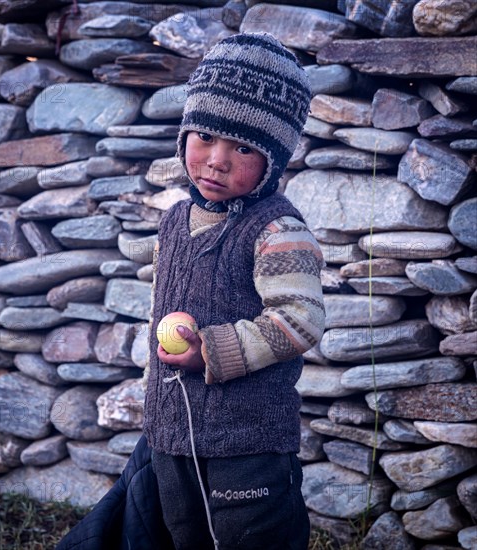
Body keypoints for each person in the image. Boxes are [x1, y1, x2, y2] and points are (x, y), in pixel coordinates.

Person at [143, 32, 325, 550]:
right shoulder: (176, 220)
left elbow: (300, 319)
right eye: (204, 136)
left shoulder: (277, 229)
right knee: (186, 538)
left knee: (252, 540)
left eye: (243, 147)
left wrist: (214, 350)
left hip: (246, 443)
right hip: (173, 434)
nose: (217, 160)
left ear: (274, 158)